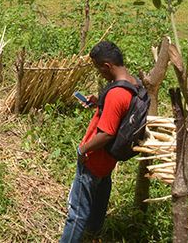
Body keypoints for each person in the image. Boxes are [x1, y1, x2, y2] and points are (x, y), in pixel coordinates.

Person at [61, 40, 139, 242]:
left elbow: (106, 134)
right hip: (108, 160)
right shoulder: (133, 83)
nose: (99, 74)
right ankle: (92, 234)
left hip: (94, 158)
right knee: (99, 199)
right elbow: (121, 113)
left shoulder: (116, 95)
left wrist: (83, 149)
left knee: (76, 213)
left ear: (107, 66)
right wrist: (99, 102)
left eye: (99, 69)